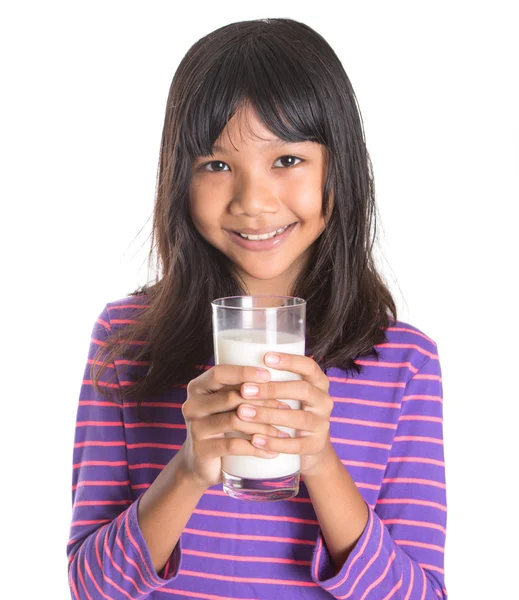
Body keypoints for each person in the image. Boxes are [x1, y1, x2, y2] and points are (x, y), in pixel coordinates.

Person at [67, 17, 447, 600]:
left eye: (287, 160)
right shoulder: (125, 340)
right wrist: (192, 467)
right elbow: (92, 589)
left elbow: (420, 594)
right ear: (179, 181)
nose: (252, 201)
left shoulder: (404, 363)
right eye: (216, 166)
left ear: (336, 169)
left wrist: (319, 460)